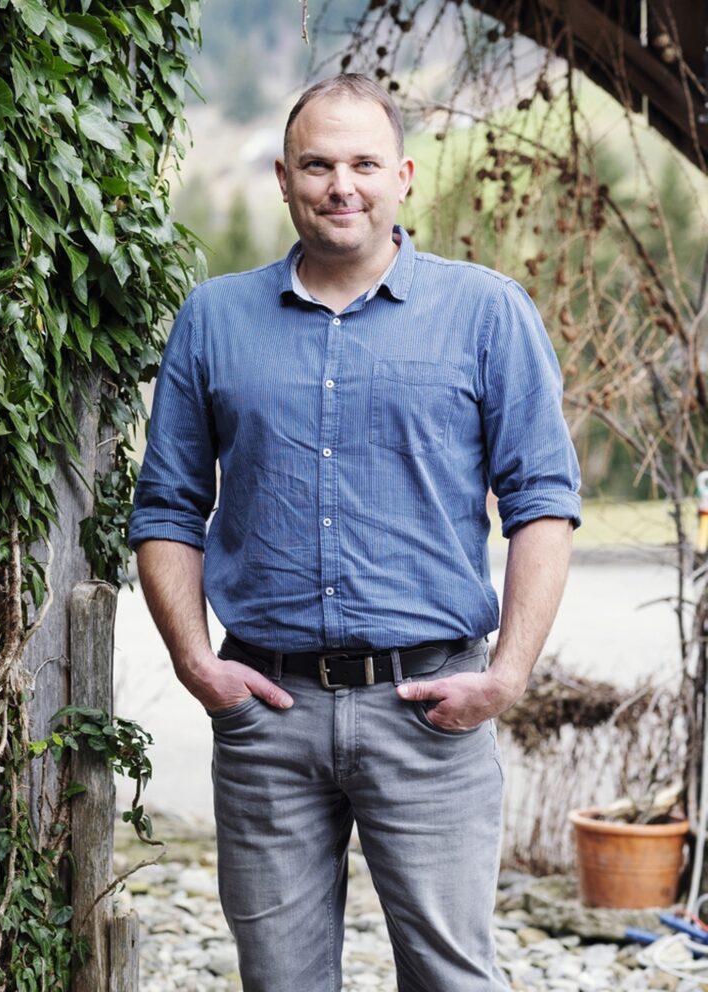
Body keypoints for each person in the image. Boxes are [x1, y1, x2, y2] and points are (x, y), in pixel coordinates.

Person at [129, 73, 581, 992]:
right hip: (267, 713)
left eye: (364, 163)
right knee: (281, 982)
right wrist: (196, 664)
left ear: (404, 175)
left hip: (432, 711)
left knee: (452, 977)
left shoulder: (487, 313)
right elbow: (168, 506)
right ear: (285, 179)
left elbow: (543, 500)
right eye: (319, 164)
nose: (343, 185)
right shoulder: (214, 321)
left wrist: (507, 675)